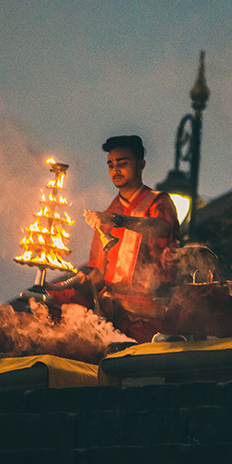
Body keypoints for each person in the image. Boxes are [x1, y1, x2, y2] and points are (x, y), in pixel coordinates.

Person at [53, 135, 180, 343]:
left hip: (151, 320)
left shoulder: (158, 202)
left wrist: (118, 220)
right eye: (110, 165)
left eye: (122, 164)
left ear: (141, 164)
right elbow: (100, 273)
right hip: (113, 318)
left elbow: (161, 229)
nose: (115, 171)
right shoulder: (107, 214)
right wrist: (75, 283)